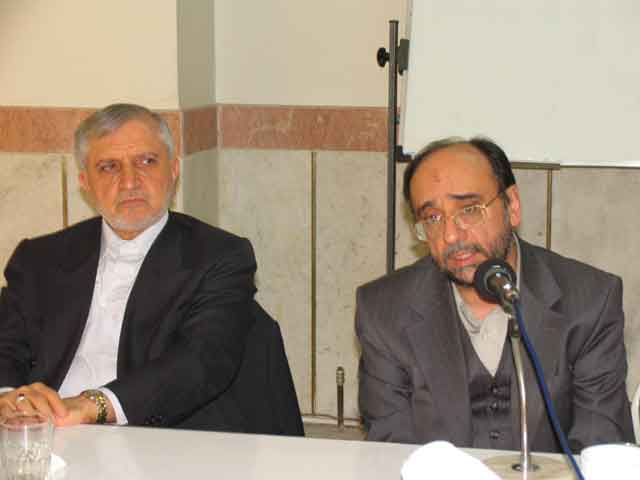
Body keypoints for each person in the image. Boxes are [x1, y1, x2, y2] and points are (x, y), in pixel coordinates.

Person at [0, 103, 303, 435]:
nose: (129, 182)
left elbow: (199, 361)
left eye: (146, 162)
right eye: (109, 167)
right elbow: (6, 346)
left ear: (173, 170)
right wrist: (9, 400)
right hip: (46, 436)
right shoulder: (39, 258)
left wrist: (91, 406)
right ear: (85, 182)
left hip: (161, 437)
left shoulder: (220, 257)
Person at [356, 137, 634, 451]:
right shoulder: (383, 311)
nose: (451, 235)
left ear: (512, 206)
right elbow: (391, 452)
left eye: (469, 210)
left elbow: (601, 446)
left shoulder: (590, 300)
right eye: (432, 218)